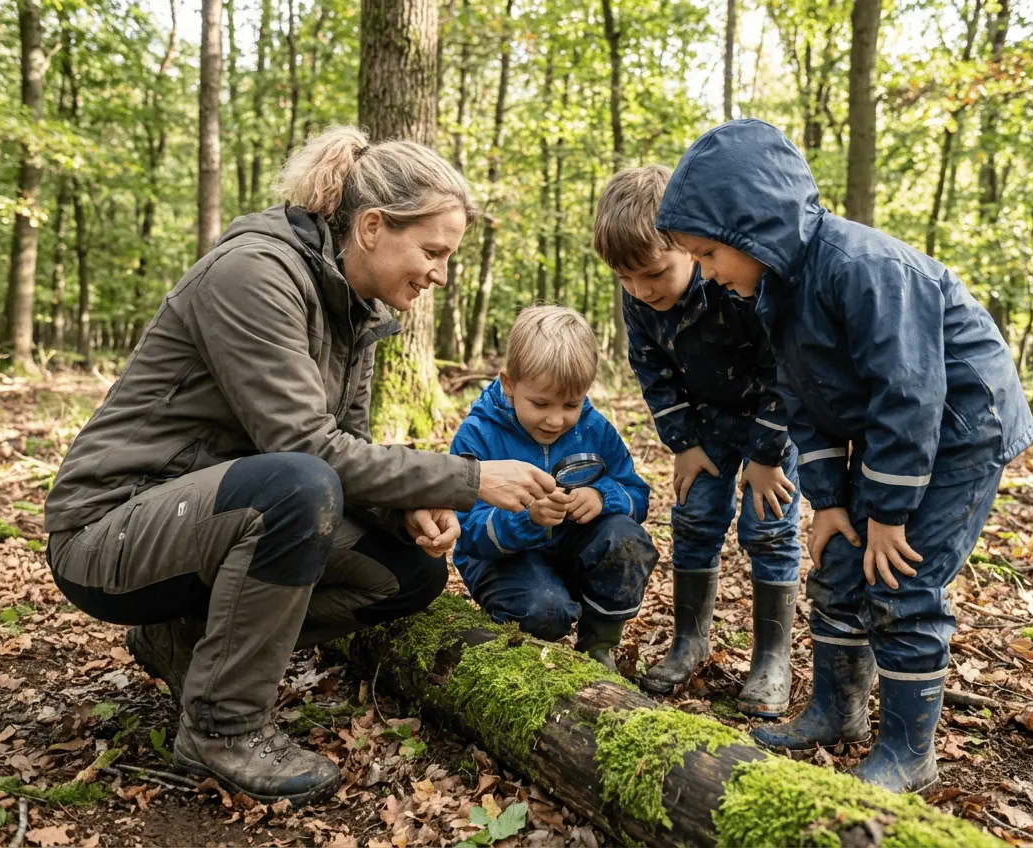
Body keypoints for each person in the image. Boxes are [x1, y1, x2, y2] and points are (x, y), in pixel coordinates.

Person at [43, 126, 555, 806]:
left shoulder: (357, 308)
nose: (440, 273)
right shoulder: (255, 272)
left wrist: (402, 509)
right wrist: (469, 479)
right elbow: (307, 450)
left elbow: (345, 443)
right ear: (372, 226)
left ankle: (186, 644)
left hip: (214, 522)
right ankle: (222, 727)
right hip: (107, 534)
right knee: (298, 485)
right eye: (433, 251)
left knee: (409, 574)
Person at [655, 119, 1033, 792]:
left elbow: (911, 393)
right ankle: (837, 710)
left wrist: (888, 513)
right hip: (898, 434)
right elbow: (806, 401)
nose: (708, 274)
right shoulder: (775, 292)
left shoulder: (863, 268)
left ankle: (908, 754)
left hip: (961, 428)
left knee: (902, 575)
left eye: (711, 254)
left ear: (754, 226)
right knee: (838, 557)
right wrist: (830, 501)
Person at [593, 165, 802, 715]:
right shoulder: (638, 298)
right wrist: (682, 442)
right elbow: (651, 371)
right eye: (625, 278)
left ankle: (771, 660)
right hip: (701, 427)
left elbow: (785, 368)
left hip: (768, 421)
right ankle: (690, 641)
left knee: (769, 527)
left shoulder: (735, 283)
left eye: (655, 273)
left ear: (688, 247)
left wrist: (765, 455)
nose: (641, 290)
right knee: (694, 518)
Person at [448, 306, 658, 670]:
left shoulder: (594, 430)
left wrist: (601, 496)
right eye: (541, 404)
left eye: (571, 404)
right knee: (545, 611)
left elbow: (636, 494)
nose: (556, 419)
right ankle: (529, 642)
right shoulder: (479, 434)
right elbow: (467, 533)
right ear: (509, 384)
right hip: (504, 559)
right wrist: (528, 518)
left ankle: (598, 645)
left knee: (626, 538)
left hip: (571, 548)